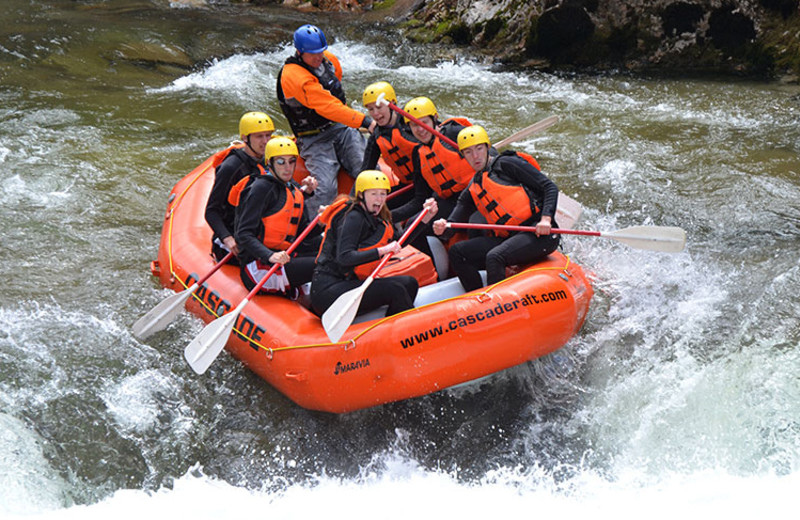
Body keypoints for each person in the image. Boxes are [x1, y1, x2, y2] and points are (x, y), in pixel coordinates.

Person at [432, 125, 560, 292]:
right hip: (511, 237)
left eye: (479, 149)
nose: (475, 156)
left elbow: (549, 187)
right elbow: (453, 224)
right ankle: (476, 295)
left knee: (495, 257)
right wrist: (442, 226)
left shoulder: (507, 164)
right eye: (468, 152)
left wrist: (546, 219)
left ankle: (495, 303)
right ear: (463, 156)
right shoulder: (474, 187)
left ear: (487, 147)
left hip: (538, 234)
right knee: (457, 252)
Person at [276, 24, 377, 216]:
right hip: (313, 139)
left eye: (320, 52)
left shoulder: (330, 61)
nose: (318, 57)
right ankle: (315, 232)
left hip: (341, 129)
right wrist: (365, 122)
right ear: (299, 52)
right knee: (324, 190)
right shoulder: (293, 76)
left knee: (370, 172)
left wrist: (352, 122)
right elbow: (326, 105)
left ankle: (380, 221)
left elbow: (336, 97)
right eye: (312, 54)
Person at [311, 170, 438, 318]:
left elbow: (399, 242)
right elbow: (344, 257)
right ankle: (406, 330)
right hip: (328, 290)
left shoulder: (375, 217)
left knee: (409, 283)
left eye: (382, 194)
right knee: (395, 289)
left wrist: (425, 218)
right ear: (361, 195)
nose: (379, 198)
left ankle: (392, 328)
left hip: (349, 283)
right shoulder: (352, 217)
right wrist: (382, 250)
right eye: (374, 194)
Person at [234, 136, 320, 297]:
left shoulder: (293, 188)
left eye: (291, 161)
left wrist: (322, 221)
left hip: (285, 255)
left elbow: (302, 234)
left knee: (330, 250)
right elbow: (243, 234)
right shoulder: (261, 188)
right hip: (259, 266)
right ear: (270, 163)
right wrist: (269, 255)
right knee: (325, 264)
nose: (287, 167)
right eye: (281, 162)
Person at [390, 96, 475, 257]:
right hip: (449, 200)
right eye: (415, 125)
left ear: (435, 119)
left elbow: (487, 157)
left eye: (424, 123)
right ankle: (435, 271)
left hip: (475, 195)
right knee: (413, 226)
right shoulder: (418, 153)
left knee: (474, 224)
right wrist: (388, 215)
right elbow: (419, 198)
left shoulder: (453, 133)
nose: (420, 130)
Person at [205, 111, 274, 264]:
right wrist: (227, 238)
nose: (265, 141)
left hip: (257, 232)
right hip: (234, 236)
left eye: (268, 135)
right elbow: (211, 211)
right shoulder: (231, 167)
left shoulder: (269, 161)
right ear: (245, 138)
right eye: (259, 136)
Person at [360, 81, 419, 208]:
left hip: (430, 184)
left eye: (379, 107)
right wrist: (356, 201)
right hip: (409, 186)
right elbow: (366, 171)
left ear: (391, 104)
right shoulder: (376, 136)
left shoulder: (411, 120)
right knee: (378, 207)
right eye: (371, 109)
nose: (375, 113)